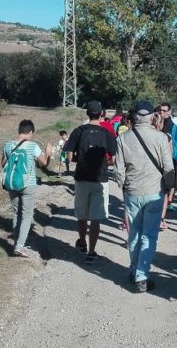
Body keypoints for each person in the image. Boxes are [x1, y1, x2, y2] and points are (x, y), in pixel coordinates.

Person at [115, 100, 174, 292]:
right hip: (155, 192)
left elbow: (118, 169)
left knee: (134, 232)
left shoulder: (123, 138)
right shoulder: (161, 138)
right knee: (149, 234)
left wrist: (123, 186)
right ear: (151, 117)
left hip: (132, 191)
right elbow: (168, 168)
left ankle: (134, 270)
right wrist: (169, 187)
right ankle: (141, 275)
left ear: (134, 117)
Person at [64, 101, 118, 264]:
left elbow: (69, 156)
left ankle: (82, 243)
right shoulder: (106, 133)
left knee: (82, 214)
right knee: (96, 218)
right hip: (100, 179)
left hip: (82, 178)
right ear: (101, 114)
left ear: (87, 114)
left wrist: (80, 161)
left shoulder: (78, 131)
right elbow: (114, 159)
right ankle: (92, 252)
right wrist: (104, 163)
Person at [2, 119, 53, 257]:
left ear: (19, 131)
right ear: (30, 132)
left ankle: (17, 242)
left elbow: (3, 164)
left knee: (16, 213)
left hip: (12, 184)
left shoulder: (8, 145)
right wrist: (48, 153)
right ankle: (19, 246)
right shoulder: (33, 146)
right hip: (28, 184)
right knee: (26, 215)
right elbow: (44, 164)